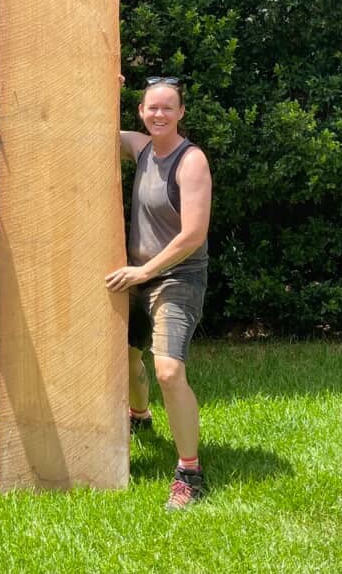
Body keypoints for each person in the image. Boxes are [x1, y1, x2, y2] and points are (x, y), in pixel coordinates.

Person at [105, 76, 212, 511]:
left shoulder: (191, 161)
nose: (159, 114)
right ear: (141, 111)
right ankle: (140, 417)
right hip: (137, 274)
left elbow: (193, 234)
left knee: (167, 370)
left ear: (181, 112)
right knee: (126, 357)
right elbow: (79, 128)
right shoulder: (140, 146)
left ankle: (190, 472)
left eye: (168, 108)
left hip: (177, 276)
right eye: (152, 107)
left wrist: (144, 271)